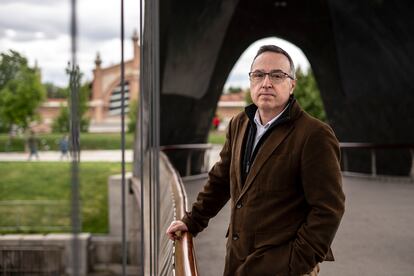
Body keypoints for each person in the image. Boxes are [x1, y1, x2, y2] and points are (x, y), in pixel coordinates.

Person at [166, 45, 345, 276]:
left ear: (292, 84)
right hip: (237, 259)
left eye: (277, 75)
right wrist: (193, 221)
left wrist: (295, 262)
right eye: (259, 75)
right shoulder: (239, 123)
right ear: (251, 81)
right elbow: (221, 179)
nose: (266, 82)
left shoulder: (314, 134)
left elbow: (328, 209)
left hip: (284, 267)